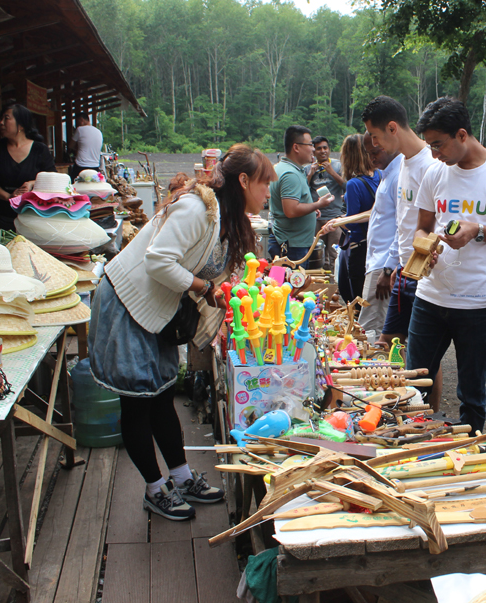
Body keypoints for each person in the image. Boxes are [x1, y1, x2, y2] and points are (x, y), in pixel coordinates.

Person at [89, 144, 276, 521]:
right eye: (264, 183)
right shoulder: (197, 208)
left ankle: (180, 475)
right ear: (243, 181)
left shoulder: (224, 215)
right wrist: (205, 289)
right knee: (137, 401)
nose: (268, 192)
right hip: (128, 304)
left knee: (161, 396)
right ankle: (154, 489)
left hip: (156, 310)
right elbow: (158, 261)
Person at [408, 97, 486, 432]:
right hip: (430, 298)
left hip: (477, 303)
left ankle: (468, 455)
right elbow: (422, 226)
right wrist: (425, 247)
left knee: (472, 394)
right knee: (413, 385)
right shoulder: (435, 172)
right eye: (430, 146)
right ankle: (411, 451)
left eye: (438, 144)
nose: (434, 154)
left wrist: (478, 231)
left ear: (462, 134)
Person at [361, 96, 436, 347]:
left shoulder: (430, 165)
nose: (374, 143)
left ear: (392, 128)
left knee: (421, 352)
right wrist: (395, 264)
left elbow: (436, 223)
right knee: (388, 343)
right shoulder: (403, 163)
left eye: (374, 135)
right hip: (403, 271)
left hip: (423, 275)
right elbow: (402, 222)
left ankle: (421, 388)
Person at [0, 102, 56, 239]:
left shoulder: (40, 149)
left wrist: (32, 183)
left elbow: (52, 179)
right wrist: (9, 197)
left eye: (6, 118)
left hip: (34, 220)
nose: (1, 122)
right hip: (2, 218)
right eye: (1, 118)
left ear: (20, 124)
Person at [357, 132, 402, 338]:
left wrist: (388, 268)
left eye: (375, 152)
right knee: (373, 327)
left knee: (372, 331)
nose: (371, 158)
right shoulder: (387, 174)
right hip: (377, 262)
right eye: (368, 153)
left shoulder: (398, 175)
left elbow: (404, 225)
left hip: (383, 265)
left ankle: (378, 370)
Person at [269, 126, 334, 265]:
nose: (313, 149)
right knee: (290, 286)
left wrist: (311, 209)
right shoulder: (290, 174)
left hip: (293, 243)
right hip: (292, 247)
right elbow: (291, 210)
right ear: (296, 147)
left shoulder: (284, 168)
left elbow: (291, 204)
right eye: (310, 145)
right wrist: (319, 204)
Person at [332, 134, 381, 303]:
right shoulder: (381, 175)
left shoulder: (354, 184)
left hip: (359, 247)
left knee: (355, 300)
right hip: (377, 246)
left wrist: (338, 221)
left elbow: (351, 222)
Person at [307, 136, 345, 271]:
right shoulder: (308, 168)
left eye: (325, 148)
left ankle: (335, 284)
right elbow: (302, 191)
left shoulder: (338, 166)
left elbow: (346, 185)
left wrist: (332, 172)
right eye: (319, 149)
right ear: (313, 151)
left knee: (334, 252)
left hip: (335, 216)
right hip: (317, 217)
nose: (323, 151)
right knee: (315, 252)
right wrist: (310, 174)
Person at [68, 114, 103, 180]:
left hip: (81, 165)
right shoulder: (98, 132)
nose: (77, 125)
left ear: (82, 120)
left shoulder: (79, 129)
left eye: (77, 122)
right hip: (95, 165)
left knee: (73, 184)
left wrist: (77, 149)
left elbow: (71, 145)